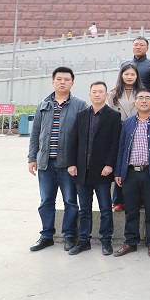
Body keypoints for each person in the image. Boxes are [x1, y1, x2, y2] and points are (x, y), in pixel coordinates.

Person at [27, 67, 88, 252]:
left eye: (66, 79)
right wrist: (32, 157)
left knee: (70, 201)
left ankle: (69, 235)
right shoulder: (43, 104)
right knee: (46, 200)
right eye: (59, 79)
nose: (62, 82)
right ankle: (46, 236)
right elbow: (35, 133)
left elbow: (84, 137)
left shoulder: (80, 105)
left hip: (68, 165)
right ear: (53, 81)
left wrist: (77, 162)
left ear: (72, 83)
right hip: (45, 163)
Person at [65, 81, 122, 256]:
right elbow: (72, 140)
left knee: (105, 208)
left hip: (102, 171)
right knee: (84, 209)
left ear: (106, 95)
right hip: (82, 170)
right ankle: (84, 240)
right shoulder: (81, 115)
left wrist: (109, 164)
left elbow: (115, 144)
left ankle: (106, 240)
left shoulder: (113, 116)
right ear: (90, 94)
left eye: (100, 92)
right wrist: (71, 163)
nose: (97, 94)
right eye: (94, 92)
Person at [113, 89, 150, 258]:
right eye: (141, 98)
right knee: (131, 210)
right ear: (135, 102)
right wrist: (118, 171)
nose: (144, 101)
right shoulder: (128, 123)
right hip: (130, 173)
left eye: (147, 98)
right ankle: (131, 242)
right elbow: (121, 148)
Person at [107, 63, 143, 212]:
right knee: (120, 165)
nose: (129, 77)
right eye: (126, 74)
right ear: (121, 75)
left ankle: (137, 198)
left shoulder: (142, 92)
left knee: (135, 166)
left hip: (138, 131)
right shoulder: (113, 94)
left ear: (137, 76)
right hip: (119, 132)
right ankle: (118, 199)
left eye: (132, 74)